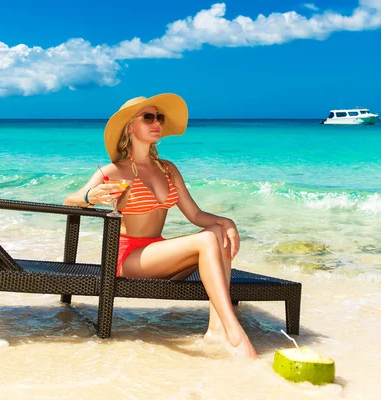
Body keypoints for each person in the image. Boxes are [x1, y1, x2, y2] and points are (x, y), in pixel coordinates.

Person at [64, 94, 257, 358]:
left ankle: (216, 330)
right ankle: (235, 333)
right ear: (130, 127)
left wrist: (228, 222)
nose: (157, 123)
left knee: (216, 232)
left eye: (159, 118)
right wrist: (90, 197)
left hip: (159, 254)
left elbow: (196, 214)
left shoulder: (167, 169)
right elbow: (70, 201)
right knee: (207, 239)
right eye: (148, 117)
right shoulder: (113, 171)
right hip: (129, 258)